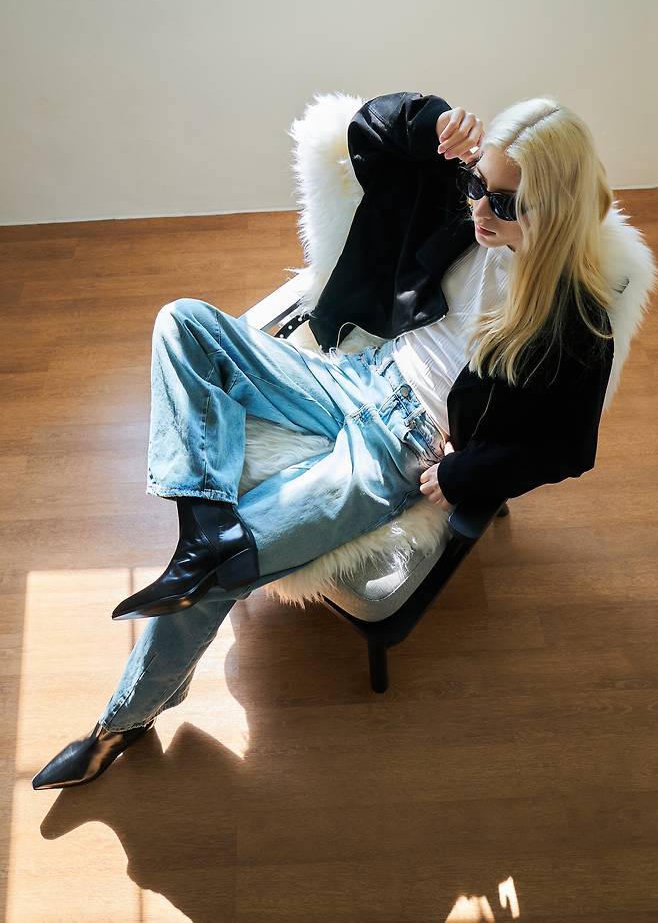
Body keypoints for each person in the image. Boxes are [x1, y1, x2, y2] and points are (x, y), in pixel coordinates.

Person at [32, 91, 615, 789]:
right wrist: (432, 123)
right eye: (476, 185)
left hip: (401, 445)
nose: (480, 209)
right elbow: (369, 137)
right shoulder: (468, 219)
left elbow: (568, 448)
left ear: (556, 207)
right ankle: (203, 520)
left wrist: (466, 478)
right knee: (184, 322)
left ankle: (120, 723)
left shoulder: (577, 318)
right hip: (356, 375)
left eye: (506, 202)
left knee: (222, 571)